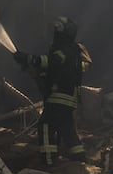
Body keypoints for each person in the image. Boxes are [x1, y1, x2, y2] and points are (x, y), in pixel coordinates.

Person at [13, 16, 92, 166]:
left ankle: (48, 162)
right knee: (67, 130)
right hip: (67, 97)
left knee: (45, 126)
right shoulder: (73, 51)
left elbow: (49, 62)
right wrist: (33, 68)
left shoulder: (65, 50)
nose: (53, 34)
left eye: (55, 31)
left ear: (61, 32)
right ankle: (80, 160)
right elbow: (55, 71)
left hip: (59, 97)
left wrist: (29, 58)